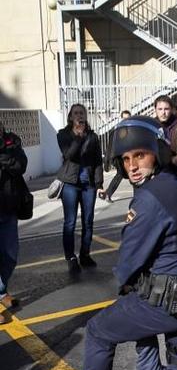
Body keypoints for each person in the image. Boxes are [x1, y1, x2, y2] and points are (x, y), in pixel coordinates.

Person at [78, 116, 177, 370]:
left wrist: (126, 282)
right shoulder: (175, 183)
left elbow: (128, 264)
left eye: (139, 155)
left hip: (165, 302)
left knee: (97, 330)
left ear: (156, 152)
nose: (132, 166)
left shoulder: (148, 198)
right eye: (125, 159)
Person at [57, 104, 103, 273]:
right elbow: (69, 156)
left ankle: (85, 254)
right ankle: (71, 258)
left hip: (88, 185)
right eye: (76, 113)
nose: (79, 116)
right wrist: (77, 137)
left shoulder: (93, 136)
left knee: (88, 221)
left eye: (82, 113)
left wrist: (99, 184)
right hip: (70, 183)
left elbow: (98, 160)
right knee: (69, 223)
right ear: (70, 117)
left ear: (86, 116)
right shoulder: (63, 135)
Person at [0, 121, 27, 324]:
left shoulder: (12, 140)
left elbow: (20, 165)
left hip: (8, 208)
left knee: (10, 254)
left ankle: (1, 291)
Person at [100, 109, 131, 203]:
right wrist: (109, 159)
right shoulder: (117, 130)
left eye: (128, 118)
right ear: (121, 119)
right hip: (119, 157)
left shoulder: (131, 129)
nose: (126, 120)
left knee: (126, 175)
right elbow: (111, 145)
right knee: (120, 175)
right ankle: (108, 194)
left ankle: (107, 193)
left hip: (127, 157)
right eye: (124, 118)